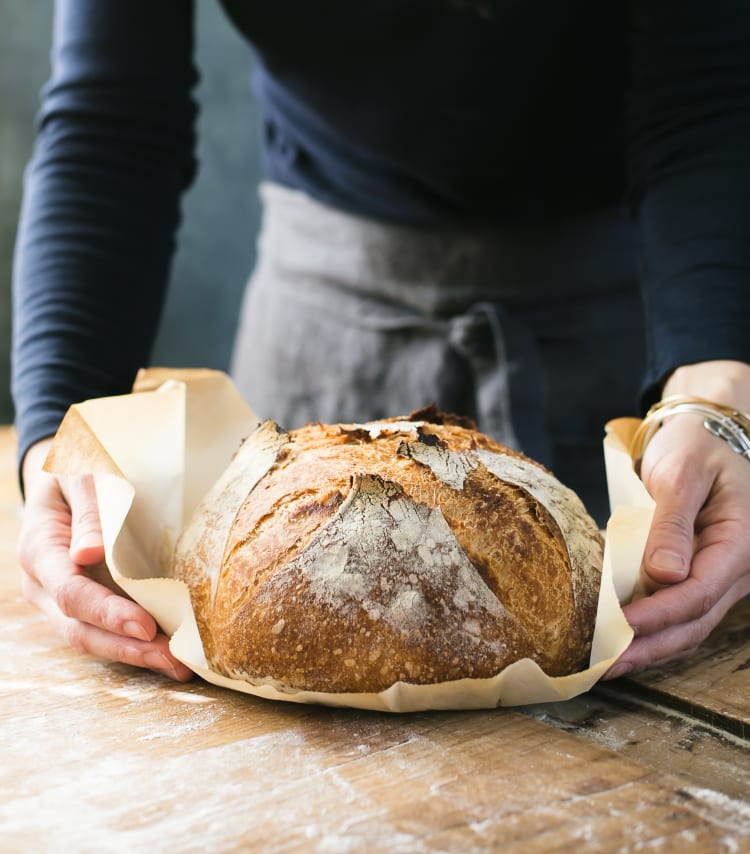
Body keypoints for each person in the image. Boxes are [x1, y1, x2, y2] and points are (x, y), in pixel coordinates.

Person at [12, 0, 750, 683]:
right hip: (321, 334)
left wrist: (719, 401)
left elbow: (707, 100)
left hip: (634, 328)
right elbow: (112, 120)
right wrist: (63, 439)